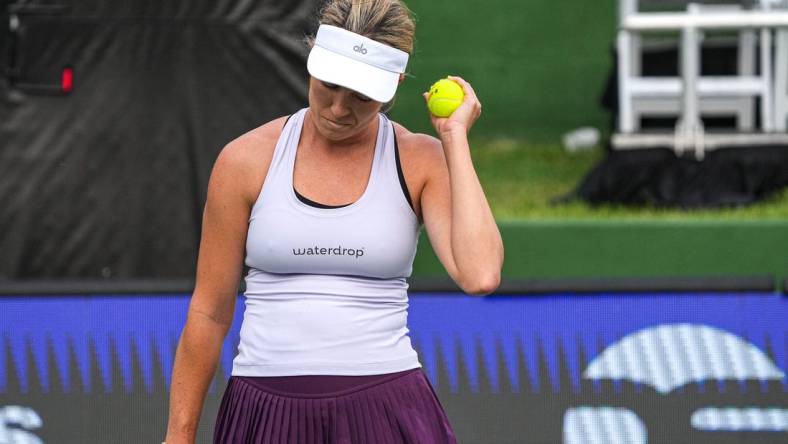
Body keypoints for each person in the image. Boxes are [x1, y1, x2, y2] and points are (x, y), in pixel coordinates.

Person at [164, 0, 503, 442]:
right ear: (310, 64)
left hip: (387, 408)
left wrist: (453, 140)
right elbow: (209, 311)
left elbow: (480, 274)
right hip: (264, 411)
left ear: (394, 86)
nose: (339, 109)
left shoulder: (421, 160)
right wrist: (178, 436)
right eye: (328, 85)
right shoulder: (244, 159)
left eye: (362, 96)